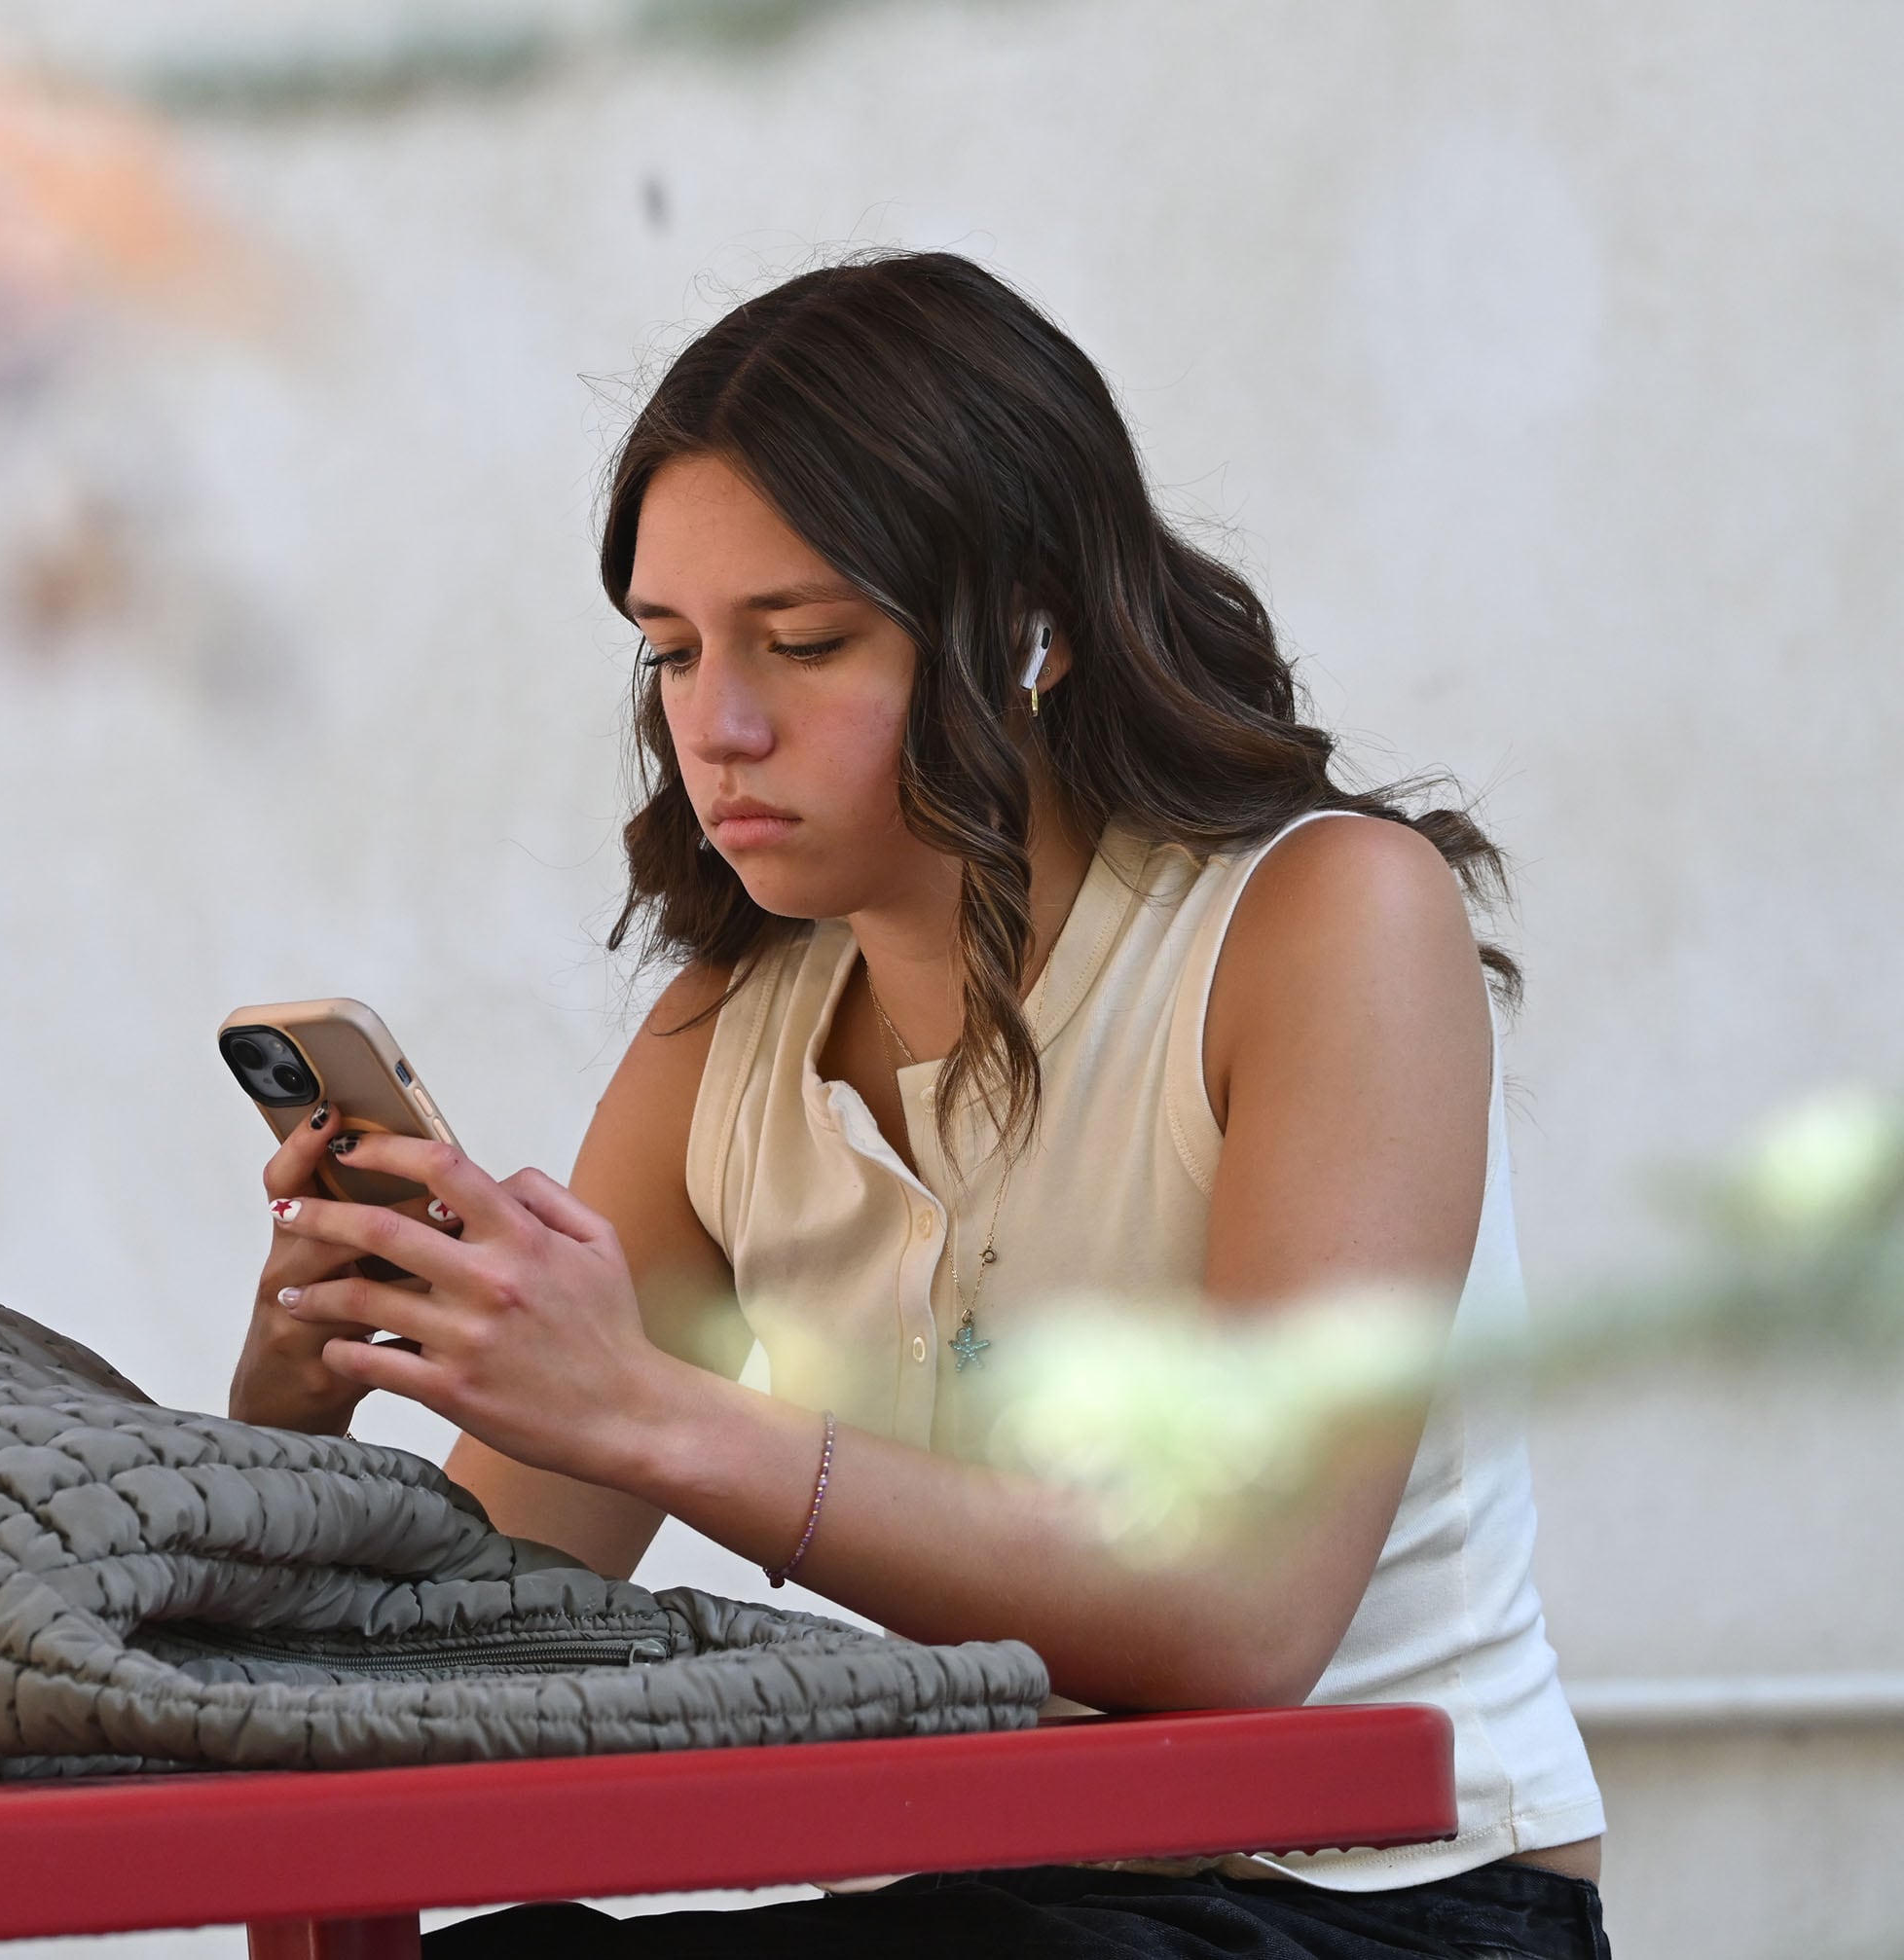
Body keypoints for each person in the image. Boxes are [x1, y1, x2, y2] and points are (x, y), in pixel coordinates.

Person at [227, 251, 1609, 1958]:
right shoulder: (721, 1039)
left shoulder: (1323, 921)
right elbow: (463, 1649)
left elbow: (1247, 1616)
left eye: (802, 642)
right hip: (968, 1896)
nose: (715, 728)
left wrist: (649, 1407)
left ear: (1029, 625)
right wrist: (308, 1399)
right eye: (669, 653)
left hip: (1370, 1903)